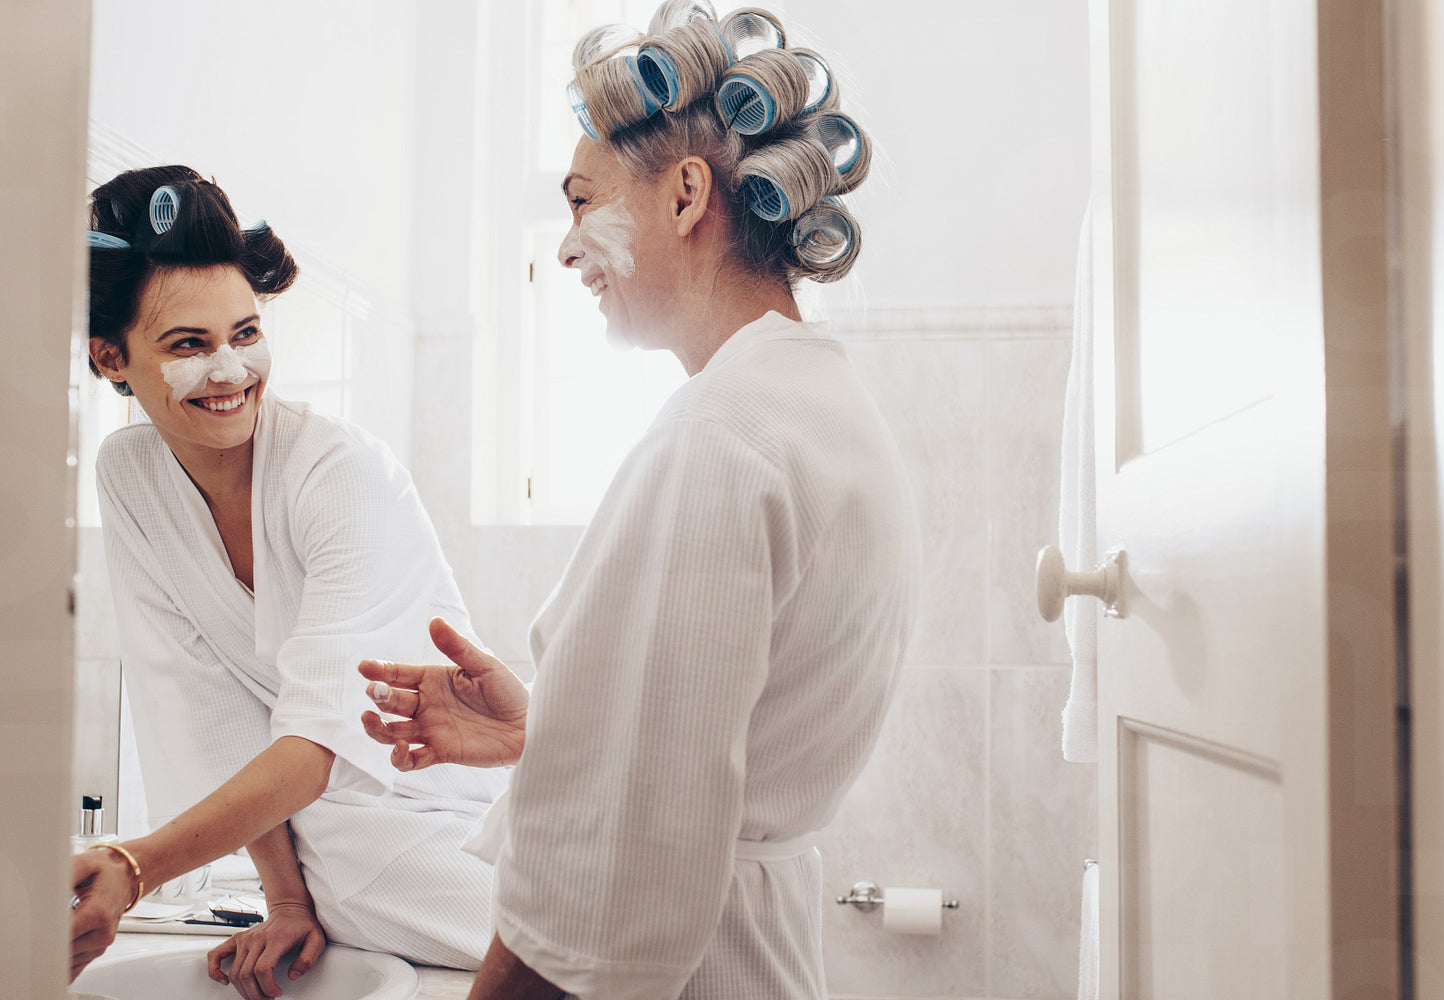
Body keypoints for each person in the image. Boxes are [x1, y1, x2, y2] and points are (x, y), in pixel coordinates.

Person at [359, 5, 920, 998]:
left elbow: (613, 870)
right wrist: (548, 728)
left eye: (583, 202)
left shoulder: (721, 436)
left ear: (685, 195)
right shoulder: (824, 404)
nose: (568, 250)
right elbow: (730, 735)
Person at [70, 165, 509, 998]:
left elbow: (315, 742)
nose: (230, 370)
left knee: (588, 949)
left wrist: (137, 865)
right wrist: (284, 899)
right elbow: (205, 708)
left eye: (245, 333)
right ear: (110, 356)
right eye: (189, 345)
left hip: (441, 824)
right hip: (318, 854)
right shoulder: (129, 473)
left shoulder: (338, 472)